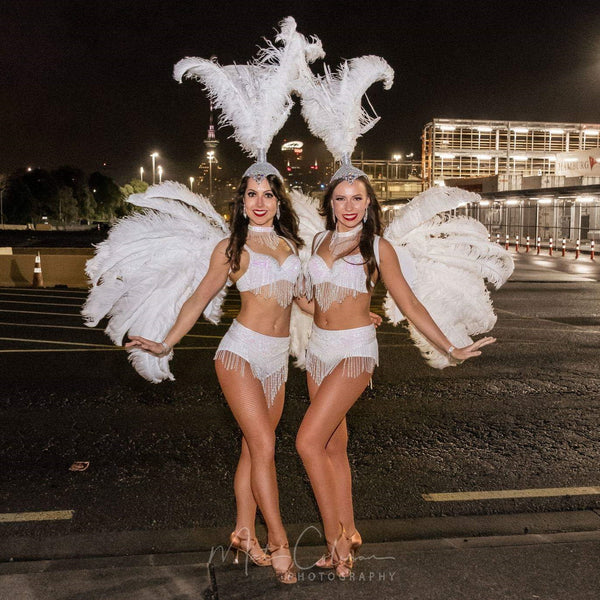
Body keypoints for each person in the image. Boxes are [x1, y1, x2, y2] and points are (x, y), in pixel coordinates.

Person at [295, 175, 496, 578]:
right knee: (334, 446)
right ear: (329, 203)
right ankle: (350, 530)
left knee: (307, 442)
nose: (349, 205)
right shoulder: (318, 242)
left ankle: (336, 544)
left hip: (355, 352)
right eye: (340, 198)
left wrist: (450, 346)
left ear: (369, 202)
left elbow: (408, 301)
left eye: (357, 198)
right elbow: (308, 299)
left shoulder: (377, 246)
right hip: (319, 350)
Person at [127, 173, 303, 584]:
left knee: (252, 450)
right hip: (240, 353)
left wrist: (352, 313)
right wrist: (167, 342)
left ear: (279, 202)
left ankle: (243, 531)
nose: (260, 202)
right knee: (264, 444)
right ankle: (278, 541)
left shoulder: (291, 246)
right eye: (251, 195)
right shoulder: (231, 248)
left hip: (276, 361)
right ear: (241, 202)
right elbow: (198, 298)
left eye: (268, 195)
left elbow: (303, 300)